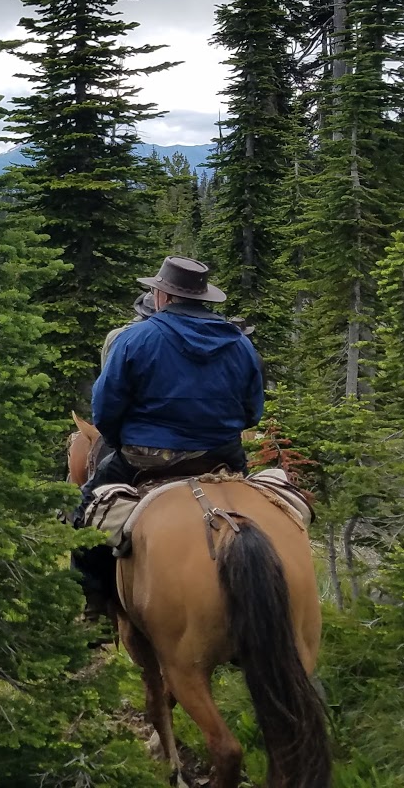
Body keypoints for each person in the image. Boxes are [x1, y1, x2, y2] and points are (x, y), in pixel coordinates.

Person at [72, 256, 264, 613]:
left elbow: (105, 408)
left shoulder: (136, 338)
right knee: (262, 510)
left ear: (162, 297)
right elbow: (253, 410)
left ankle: (96, 604)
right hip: (222, 458)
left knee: (86, 509)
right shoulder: (239, 343)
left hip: (147, 457)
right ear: (203, 297)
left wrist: (119, 441)